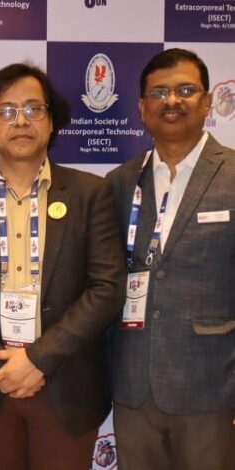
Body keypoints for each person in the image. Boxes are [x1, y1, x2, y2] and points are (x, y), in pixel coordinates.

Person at [0, 63, 125, 470]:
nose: (20, 121)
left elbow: (106, 287)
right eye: (6, 111)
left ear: (51, 120)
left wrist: (39, 359)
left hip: (67, 381)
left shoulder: (91, 193)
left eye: (32, 109)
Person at [106, 48, 235, 470]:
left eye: (185, 90)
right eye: (159, 93)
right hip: (133, 385)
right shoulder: (120, 182)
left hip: (213, 386)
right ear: (142, 108)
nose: (172, 101)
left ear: (208, 101)